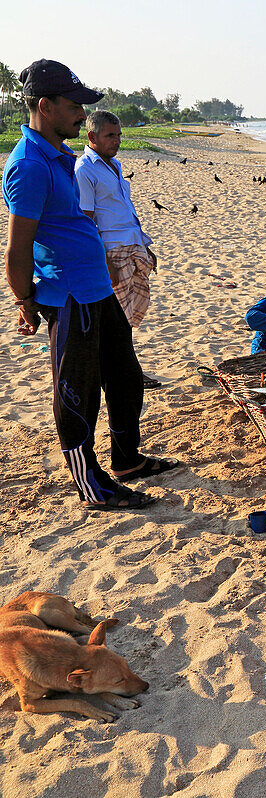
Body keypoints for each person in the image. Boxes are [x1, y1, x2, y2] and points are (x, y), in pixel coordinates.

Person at [3, 59, 180, 512]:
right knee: (76, 391)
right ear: (45, 106)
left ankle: (126, 459)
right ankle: (91, 485)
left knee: (125, 379)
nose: (82, 115)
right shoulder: (27, 165)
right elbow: (17, 249)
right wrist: (25, 301)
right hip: (69, 295)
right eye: (75, 105)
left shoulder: (60, 156)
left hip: (99, 289)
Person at [74, 110, 161, 390]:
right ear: (92, 137)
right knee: (118, 320)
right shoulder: (84, 169)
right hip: (112, 253)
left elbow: (125, 210)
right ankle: (128, 373)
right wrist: (104, 262)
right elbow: (87, 221)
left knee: (125, 319)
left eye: (119, 135)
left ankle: (126, 371)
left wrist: (145, 246)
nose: (117, 141)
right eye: (110, 135)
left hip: (132, 246)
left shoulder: (116, 165)